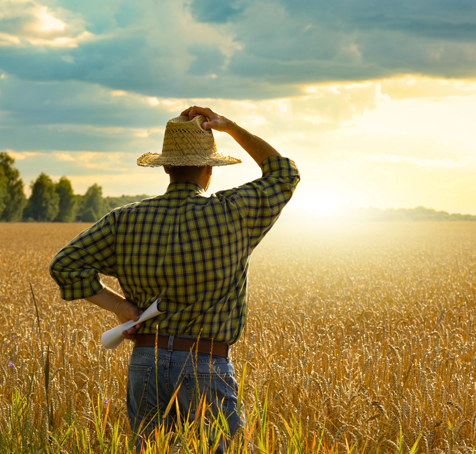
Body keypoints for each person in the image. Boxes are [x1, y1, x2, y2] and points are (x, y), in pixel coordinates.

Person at [49, 105, 300, 452]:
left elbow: (65, 264)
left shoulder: (126, 220)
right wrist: (230, 127)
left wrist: (122, 307)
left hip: (145, 364)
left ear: (166, 166)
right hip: (205, 364)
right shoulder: (232, 213)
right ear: (210, 169)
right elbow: (284, 173)